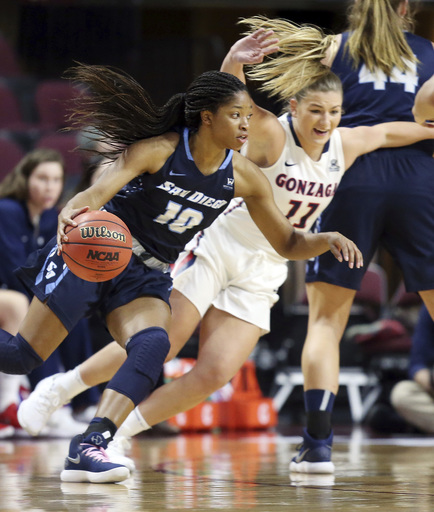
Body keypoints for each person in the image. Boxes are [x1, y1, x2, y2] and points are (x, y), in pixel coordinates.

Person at [16, 29, 434, 473]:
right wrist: (235, 60)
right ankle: (61, 388)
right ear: (293, 108)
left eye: (334, 112)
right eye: (315, 110)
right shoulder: (272, 134)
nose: (325, 121)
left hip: (268, 264)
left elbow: (391, 132)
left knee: (215, 372)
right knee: (165, 345)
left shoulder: (345, 145)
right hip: (220, 244)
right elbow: (231, 104)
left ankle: (117, 436)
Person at [235, 2, 434, 474]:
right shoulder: (429, 51)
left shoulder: (331, 47)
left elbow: (292, 87)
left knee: (326, 322)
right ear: (408, 8)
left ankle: (318, 445)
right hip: (419, 178)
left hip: (349, 173)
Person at [0, 148, 97, 437]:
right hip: (10, 291)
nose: (50, 187)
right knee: (49, 312)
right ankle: (50, 407)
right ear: (25, 178)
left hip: (19, 293)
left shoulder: (47, 219)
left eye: (56, 180)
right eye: (42, 178)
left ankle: (83, 403)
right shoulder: (7, 210)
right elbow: (14, 270)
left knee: (74, 314)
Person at [390, 304, 434, 433]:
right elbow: (417, 364)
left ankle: (408, 425)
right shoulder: (430, 305)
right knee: (402, 394)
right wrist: (429, 379)